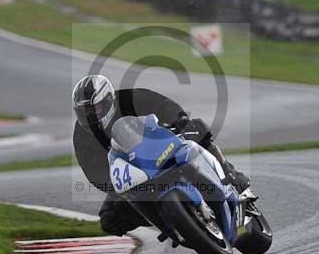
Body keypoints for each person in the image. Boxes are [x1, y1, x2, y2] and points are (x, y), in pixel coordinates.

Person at [72, 74, 251, 236]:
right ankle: (169, 218)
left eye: (94, 109)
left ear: (109, 100)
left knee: (196, 129)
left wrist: (179, 120)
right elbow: (93, 172)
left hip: (161, 146)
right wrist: (116, 187)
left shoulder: (130, 98)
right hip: (134, 175)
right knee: (109, 219)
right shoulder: (81, 136)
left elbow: (164, 106)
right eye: (84, 111)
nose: (89, 116)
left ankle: (230, 173)